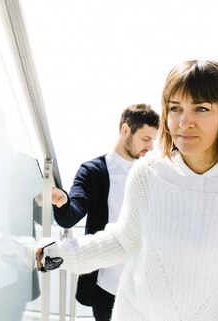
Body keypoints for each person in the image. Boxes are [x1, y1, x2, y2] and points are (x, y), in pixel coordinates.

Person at [36, 60, 218, 321]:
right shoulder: (148, 172)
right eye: (175, 108)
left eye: (201, 108)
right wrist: (58, 252)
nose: (184, 122)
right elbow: (123, 240)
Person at [48, 104, 159, 321]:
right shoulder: (93, 171)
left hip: (144, 284)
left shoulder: (153, 172)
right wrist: (62, 202)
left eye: (153, 140)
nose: (151, 146)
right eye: (146, 139)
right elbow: (73, 213)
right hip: (105, 285)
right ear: (126, 130)